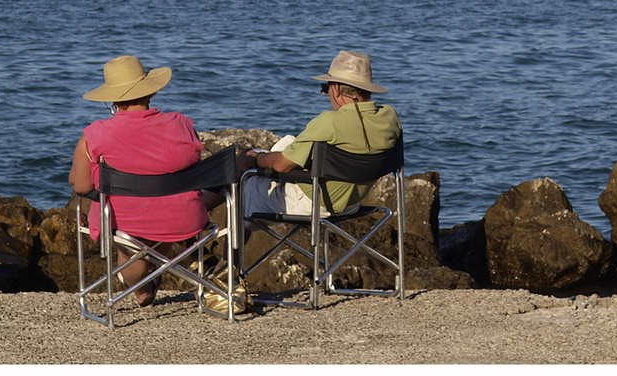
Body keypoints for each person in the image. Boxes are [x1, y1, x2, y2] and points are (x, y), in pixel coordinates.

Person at [68, 55, 207, 308]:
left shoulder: (95, 135)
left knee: (128, 247)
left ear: (112, 99)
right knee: (163, 215)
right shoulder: (182, 124)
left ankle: (142, 287)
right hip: (183, 219)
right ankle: (151, 274)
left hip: (123, 224)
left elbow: (82, 186)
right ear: (149, 93)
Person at [241, 49, 401, 216]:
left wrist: (256, 159)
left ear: (337, 89)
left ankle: (218, 231)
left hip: (314, 203)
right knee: (287, 143)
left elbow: (282, 165)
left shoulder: (329, 122)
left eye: (326, 88)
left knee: (241, 187)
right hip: (352, 204)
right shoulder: (390, 117)